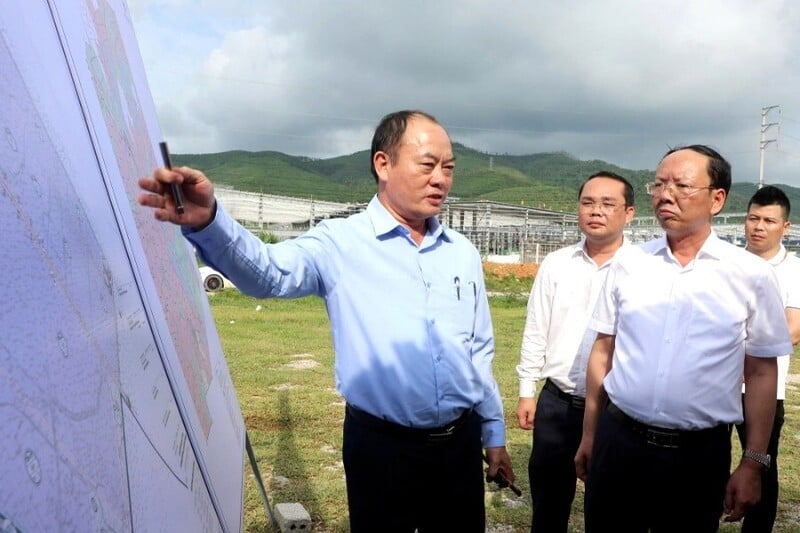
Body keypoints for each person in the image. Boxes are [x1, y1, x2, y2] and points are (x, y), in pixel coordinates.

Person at [138, 110, 515, 532]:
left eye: (448, 168)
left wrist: (493, 433)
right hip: (381, 449)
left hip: (458, 447)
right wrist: (211, 222)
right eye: (427, 165)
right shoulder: (339, 242)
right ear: (383, 163)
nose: (441, 179)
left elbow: (478, 350)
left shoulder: (461, 252)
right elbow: (268, 272)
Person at [573, 145, 792, 532]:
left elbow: (761, 372)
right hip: (619, 442)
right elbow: (602, 352)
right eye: (659, 184)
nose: (665, 194)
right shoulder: (629, 264)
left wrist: (753, 462)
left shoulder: (750, 275)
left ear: (717, 199)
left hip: (697, 457)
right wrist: (590, 434)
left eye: (681, 185)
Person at [516, 171, 634, 532]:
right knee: (549, 504)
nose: (596, 211)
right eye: (588, 203)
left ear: (629, 213)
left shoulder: (641, 268)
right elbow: (536, 328)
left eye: (608, 204)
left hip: (617, 410)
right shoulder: (557, 263)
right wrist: (526, 390)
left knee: (610, 509)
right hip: (559, 403)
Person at [736, 185, 800, 532]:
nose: (759, 227)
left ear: (785, 227)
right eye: (753, 218)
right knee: (701, 463)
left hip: (762, 388)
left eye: (769, 221)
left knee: (760, 466)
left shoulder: (794, 270)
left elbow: (792, 329)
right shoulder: (726, 263)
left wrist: (738, 358)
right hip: (714, 384)